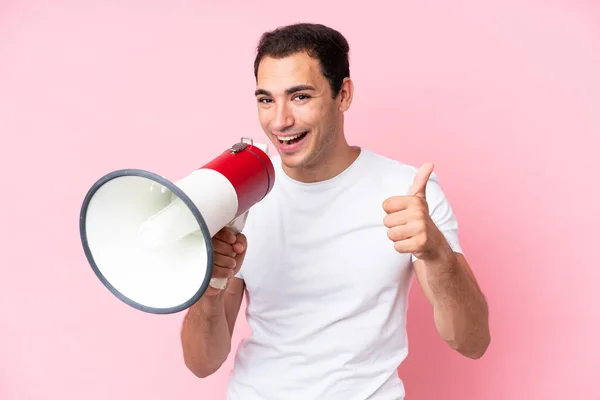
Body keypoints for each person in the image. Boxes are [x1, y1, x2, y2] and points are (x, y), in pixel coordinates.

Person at [180, 22, 490, 400]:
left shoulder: (407, 192)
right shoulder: (240, 192)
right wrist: (210, 288)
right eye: (266, 100)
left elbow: (472, 341)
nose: (279, 121)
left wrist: (438, 253)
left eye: (300, 97)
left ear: (342, 95)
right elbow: (202, 363)